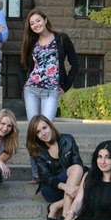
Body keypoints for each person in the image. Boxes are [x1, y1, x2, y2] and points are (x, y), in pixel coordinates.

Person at [20, 10, 79, 184]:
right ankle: (37, 174)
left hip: (51, 91)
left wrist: (65, 86)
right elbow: (22, 65)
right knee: (34, 131)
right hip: (32, 90)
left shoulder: (61, 39)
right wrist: (24, 85)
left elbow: (75, 62)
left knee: (47, 130)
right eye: (32, 23)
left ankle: (53, 168)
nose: (36, 25)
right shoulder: (31, 42)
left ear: (45, 20)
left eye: (38, 21)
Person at [26, 115, 85, 220]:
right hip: (52, 189)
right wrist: (66, 187)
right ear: (35, 136)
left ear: (50, 126)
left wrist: (72, 186)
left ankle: (56, 207)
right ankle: (66, 216)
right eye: (38, 132)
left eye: (44, 128)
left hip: (72, 185)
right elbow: (46, 177)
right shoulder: (38, 150)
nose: (43, 133)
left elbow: (78, 162)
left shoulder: (68, 140)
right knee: (78, 172)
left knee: (90, 179)